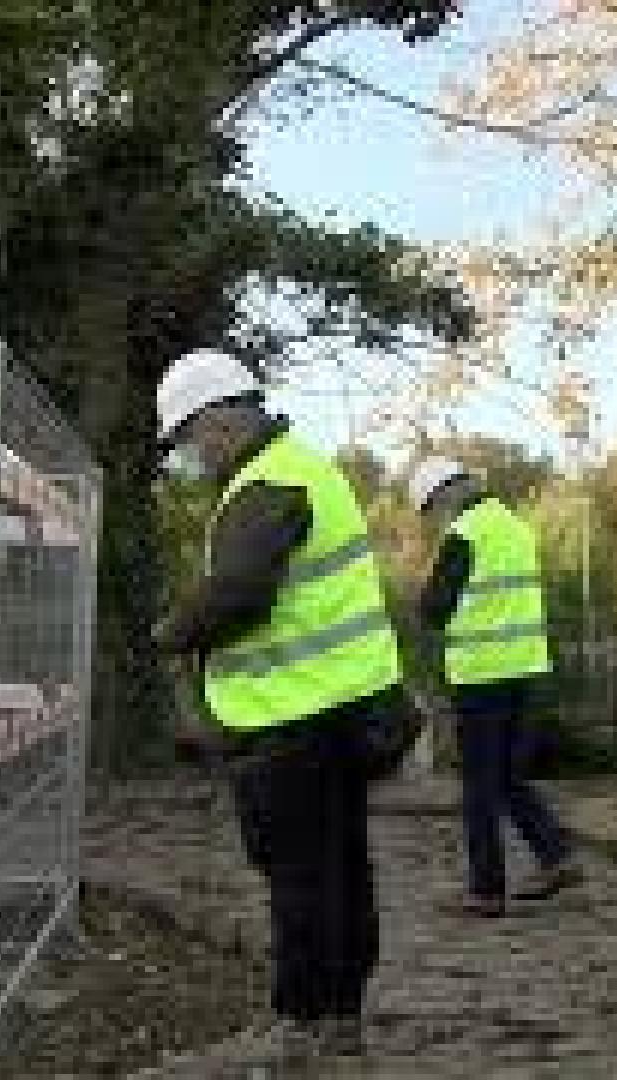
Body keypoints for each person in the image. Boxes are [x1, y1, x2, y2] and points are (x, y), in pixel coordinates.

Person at [152, 349, 403, 1071]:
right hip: (342, 708)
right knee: (341, 867)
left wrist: (171, 631)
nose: (188, 456)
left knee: (298, 877)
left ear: (221, 421)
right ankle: (342, 1016)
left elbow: (238, 592)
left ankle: (302, 1021)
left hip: (291, 721)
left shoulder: (266, 484)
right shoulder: (305, 470)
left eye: (186, 439)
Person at [409, 457, 580, 918]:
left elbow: (434, 610)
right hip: (526, 668)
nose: (435, 518)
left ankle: (486, 890)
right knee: (508, 775)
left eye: (430, 508)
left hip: (482, 676)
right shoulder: (515, 527)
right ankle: (556, 855)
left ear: (444, 494)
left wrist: (423, 596)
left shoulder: (465, 534)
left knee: (480, 785)